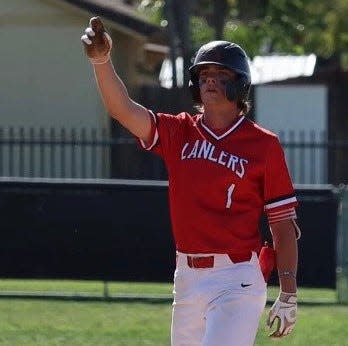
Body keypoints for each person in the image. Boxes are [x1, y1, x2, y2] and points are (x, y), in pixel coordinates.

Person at [81, 17, 301, 346]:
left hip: (236, 278)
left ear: (240, 84)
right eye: (204, 75)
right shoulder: (180, 131)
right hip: (186, 276)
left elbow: (282, 225)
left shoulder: (263, 145)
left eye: (220, 74)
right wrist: (101, 61)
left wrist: (288, 293)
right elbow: (123, 111)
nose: (210, 80)